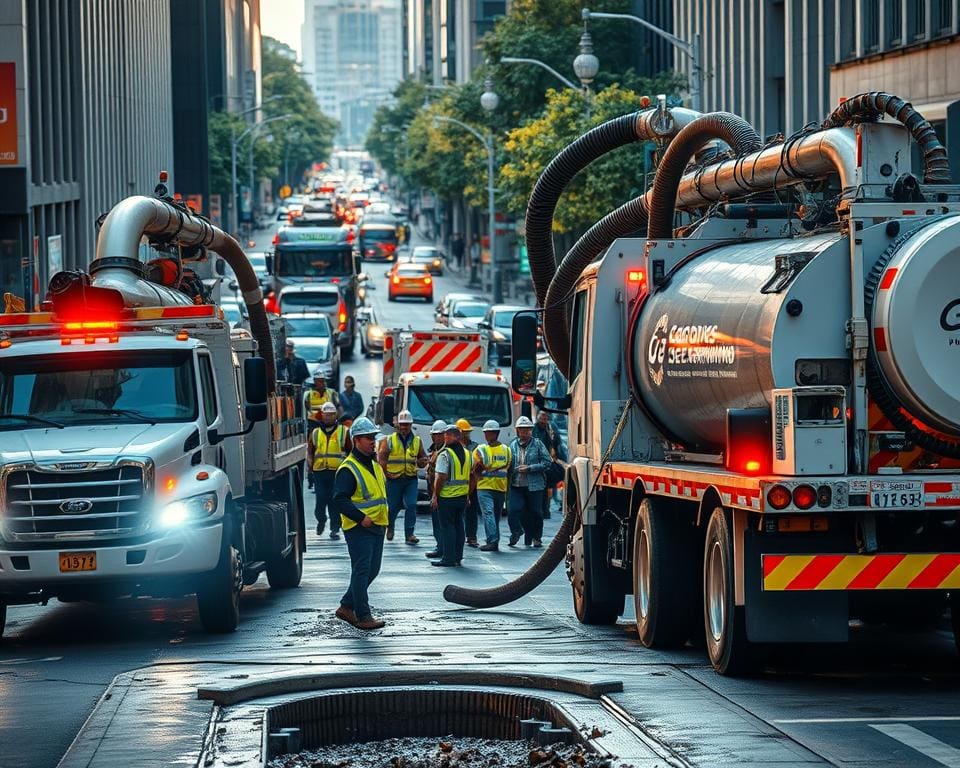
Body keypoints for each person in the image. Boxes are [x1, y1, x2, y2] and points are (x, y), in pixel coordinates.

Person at [331, 417, 388, 630]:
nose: (372, 442)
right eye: (368, 438)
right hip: (359, 528)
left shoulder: (373, 465)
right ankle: (363, 616)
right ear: (356, 440)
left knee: (372, 569)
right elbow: (340, 499)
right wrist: (360, 518)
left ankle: (346, 605)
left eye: (373, 438)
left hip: (377, 525)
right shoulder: (349, 469)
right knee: (362, 570)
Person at [377, 409, 428, 543]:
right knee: (393, 507)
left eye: (407, 424)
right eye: (402, 424)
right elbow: (382, 459)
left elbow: (423, 457)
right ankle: (390, 526)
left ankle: (409, 534)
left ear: (411, 425)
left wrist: (423, 462)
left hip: (410, 479)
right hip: (393, 479)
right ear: (398, 425)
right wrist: (386, 475)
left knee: (411, 505)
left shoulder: (417, 441)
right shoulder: (389, 440)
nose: (404, 427)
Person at [307, 402, 351, 539]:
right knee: (320, 500)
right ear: (322, 415)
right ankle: (321, 520)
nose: (328, 418)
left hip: (337, 472)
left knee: (334, 501)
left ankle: (335, 528)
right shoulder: (315, 433)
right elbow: (310, 452)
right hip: (319, 472)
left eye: (331, 415)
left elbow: (350, 451)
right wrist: (310, 468)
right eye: (326, 415)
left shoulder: (343, 432)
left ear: (335, 415)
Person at [507, 415, 551, 548]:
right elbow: (508, 462)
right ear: (517, 431)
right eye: (522, 430)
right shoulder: (512, 445)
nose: (525, 433)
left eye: (527, 430)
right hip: (516, 484)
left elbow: (547, 462)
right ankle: (516, 531)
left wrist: (530, 468)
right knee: (513, 510)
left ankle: (536, 537)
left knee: (535, 512)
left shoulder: (537, 444)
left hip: (535, 486)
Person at [431, 423, 472, 567]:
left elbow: (441, 477)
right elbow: (471, 476)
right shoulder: (467, 453)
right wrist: (468, 495)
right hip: (461, 498)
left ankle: (448, 558)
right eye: (445, 434)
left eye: (448, 434)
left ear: (455, 436)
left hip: (447, 497)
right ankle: (458, 556)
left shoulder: (445, 454)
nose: (446, 437)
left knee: (447, 528)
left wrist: (435, 495)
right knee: (459, 526)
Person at [473, 420, 511, 552]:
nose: (488, 435)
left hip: (500, 488)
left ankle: (494, 540)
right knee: (488, 513)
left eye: (490, 433)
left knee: (495, 516)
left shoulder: (506, 450)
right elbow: (476, 467)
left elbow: (508, 467)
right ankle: (493, 541)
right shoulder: (481, 449)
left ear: (497, 433)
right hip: (484, 487)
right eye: (486, 433)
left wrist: (487, 467)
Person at [534, 410, 566, 519]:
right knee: (539, 489)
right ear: (538, 418)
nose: (543, 420)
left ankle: (545, 510)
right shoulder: (534, 429)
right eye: (542, 417)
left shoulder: (551, 429)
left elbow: (557, 444)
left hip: (547, 464)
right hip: (537, 463)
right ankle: (541, 510)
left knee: (547, 488)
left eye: (545, 417)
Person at [424, 420, 448, 560]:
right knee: (436, 522)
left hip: (441, 493)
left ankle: (443, 548)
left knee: (442, 523)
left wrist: (436, 495)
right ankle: (440, 546)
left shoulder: (445, 452)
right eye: (434, 435)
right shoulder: (434, 449)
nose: (435, 437)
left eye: (438, 435)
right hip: (433, 491)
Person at [455, 419, 481, 547]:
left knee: (472, 510)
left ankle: (471, 536)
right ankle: (458, 535)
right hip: (457, 484)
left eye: (467, 432)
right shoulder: (453, 447)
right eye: (463, 432)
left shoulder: (475, 446)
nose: (465, 435)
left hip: (472, 483)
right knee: (458, 512)